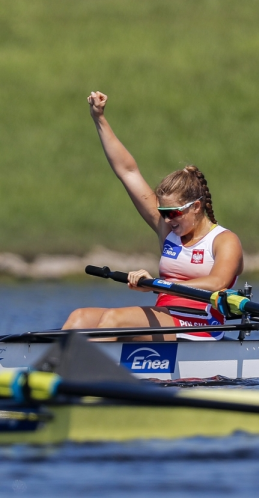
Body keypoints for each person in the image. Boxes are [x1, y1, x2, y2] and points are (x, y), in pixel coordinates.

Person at [62, 92, 244, 341]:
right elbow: (127, 171)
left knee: (114, 321)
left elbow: (217, 283)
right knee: (79, 319)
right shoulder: (169, 230)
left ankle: (81, 376)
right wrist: (99, 118)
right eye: (163, 213)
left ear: (197, 207)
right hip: (166, 315)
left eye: (174, 213)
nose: (168, 220)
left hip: (201, 324)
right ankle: (56, 373)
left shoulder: (224, 240)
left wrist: (156, 283)